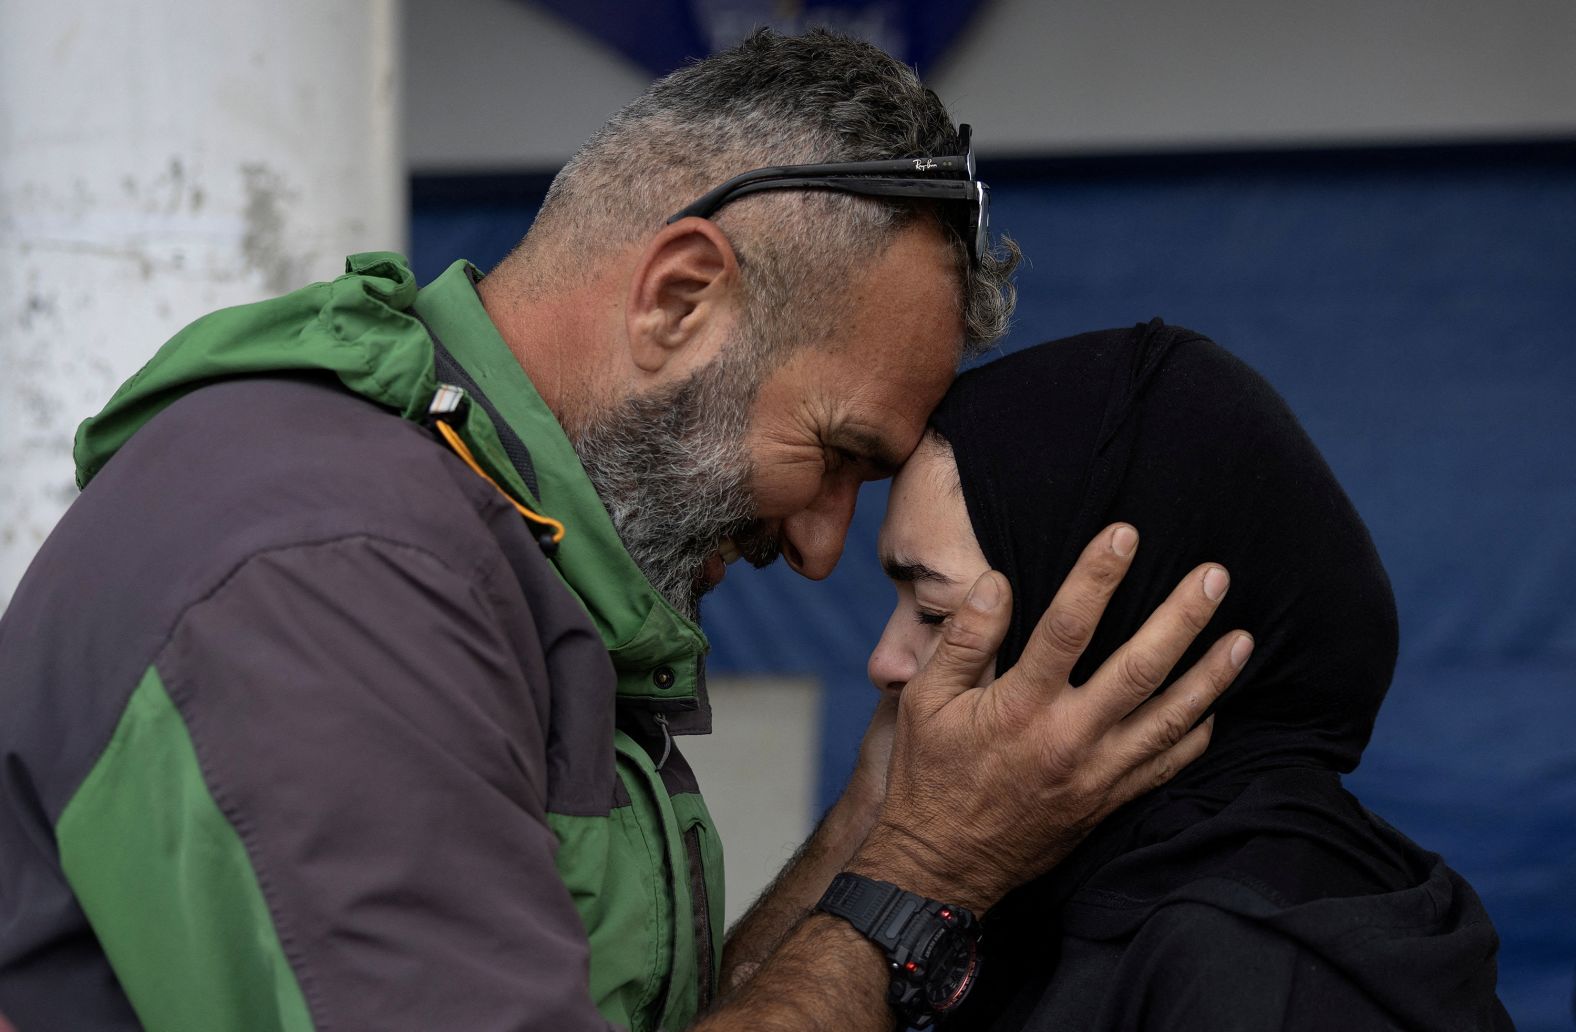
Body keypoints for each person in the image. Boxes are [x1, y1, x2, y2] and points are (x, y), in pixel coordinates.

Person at [0, 31, 1252, 1032]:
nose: (822, 548)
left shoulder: (497, 546)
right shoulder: (332, 571)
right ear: (679, 298)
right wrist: (927, 875)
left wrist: (887, 810)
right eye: (834, 455)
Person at [864, 320, 1513, 1030]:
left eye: (933, 610)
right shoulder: (1050, 902)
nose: (884, 663)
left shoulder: (1255, 969)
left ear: (1118, 627)